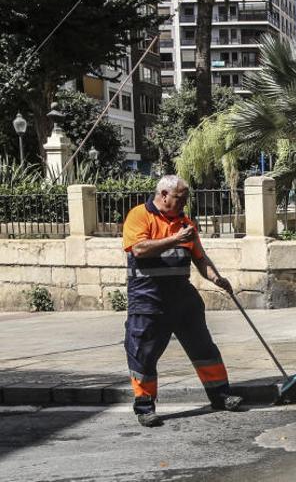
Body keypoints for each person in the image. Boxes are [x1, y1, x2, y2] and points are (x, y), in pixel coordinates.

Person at [122, 175, 242, 427]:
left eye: (186, 199)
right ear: (163, 194)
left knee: (204, 348)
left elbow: (200, 258)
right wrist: (175, 239)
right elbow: (139, 249)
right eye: (180, 198)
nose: (184, 204)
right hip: (148, 298)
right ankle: (145, 407)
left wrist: (216, 278)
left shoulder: (186, 223)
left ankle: (221, 395)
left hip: (182, 297)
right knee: (143, 353)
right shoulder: (140, 216)